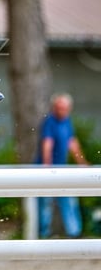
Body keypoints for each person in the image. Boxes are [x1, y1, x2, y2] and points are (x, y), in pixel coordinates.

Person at [37, 93, 89, 239]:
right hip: (48, 169)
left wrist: (82, 163)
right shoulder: (50, 122)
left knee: (68, 200)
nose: (62, 111)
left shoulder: (67, 121)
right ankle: (44, 234)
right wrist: (47, 166)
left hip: (62, 169)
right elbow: (47, 144)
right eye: (59, 108)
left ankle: (74, 233)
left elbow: (72, 143)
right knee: (46, 202)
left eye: (65, 108)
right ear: (54, 108)